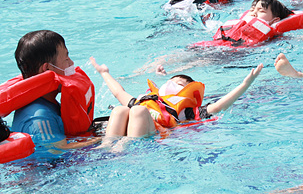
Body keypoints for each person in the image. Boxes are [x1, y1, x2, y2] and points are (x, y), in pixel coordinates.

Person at [90, 57, 263, 137]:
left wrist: (245, 84)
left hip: (150, 138)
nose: (173, 84)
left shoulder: (187, 111)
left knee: (138, 112)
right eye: (171, 80)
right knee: (121, 109)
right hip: (128, 130)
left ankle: (125, 148)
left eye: (179, 84)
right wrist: (104, 73)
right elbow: (119, 92)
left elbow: (218, 106)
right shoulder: (148, 99)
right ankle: (109, 149)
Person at [0, 30, 99, 155]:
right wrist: (107, 140)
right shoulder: (39, 116)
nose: (71, 63)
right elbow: (56, 150)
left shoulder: (47, 101)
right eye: (66, 58)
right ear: (47, 69)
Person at [190, 0, 303, 48]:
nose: (254, 13)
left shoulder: (276, 37)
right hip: (209, 46)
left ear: (275, 20)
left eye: (261, 10)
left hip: (233, 55)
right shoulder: (234, 24)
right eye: (252, 9)